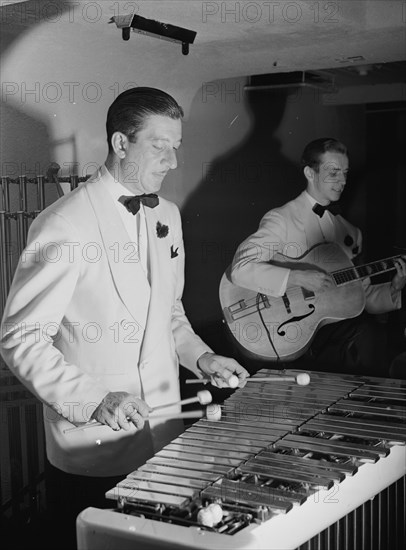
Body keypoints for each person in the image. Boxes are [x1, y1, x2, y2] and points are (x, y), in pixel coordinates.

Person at [0, 87, 248, 546]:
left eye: (176, 147)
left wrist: (202, 358)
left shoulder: (168, 216)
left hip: (162, 435)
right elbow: (22, 338)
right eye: (159, 146)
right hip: (94, 441)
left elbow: (168, 313)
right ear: (119, 143)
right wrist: (94, 398)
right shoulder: (63, 224)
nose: (172, 161)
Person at [230, 137, 406, 376]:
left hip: (341, 345)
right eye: (333, 172)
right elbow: (241, 268)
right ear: (309, 173)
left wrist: (393, 290)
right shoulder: (282, 219)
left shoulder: (351, 233)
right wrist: (296, 278)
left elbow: (359, 297)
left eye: (345, 172)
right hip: (294, 341)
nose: (342, 181)